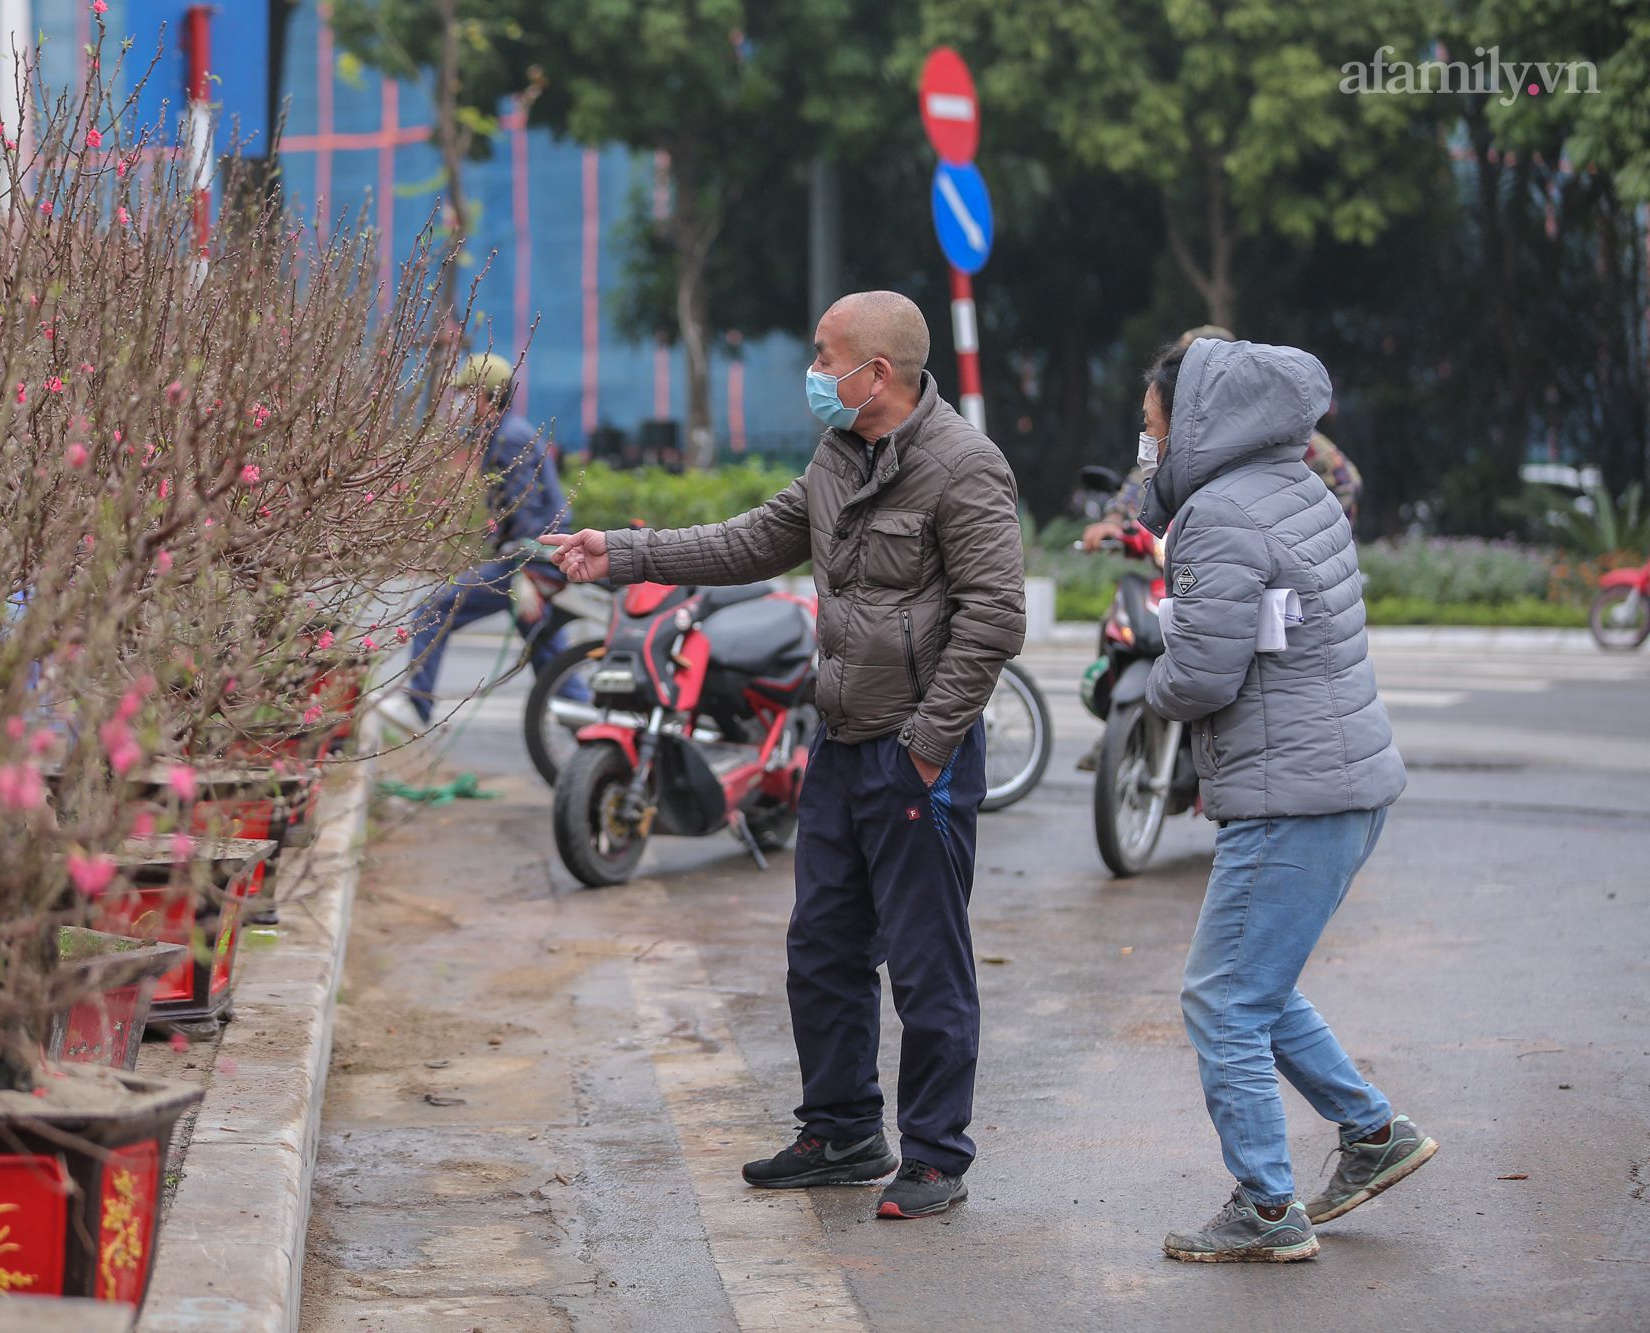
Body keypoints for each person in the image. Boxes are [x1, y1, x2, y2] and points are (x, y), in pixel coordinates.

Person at [543, 292, 1025, 1220]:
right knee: (822, 948)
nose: (813, 371)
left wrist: (927, 746)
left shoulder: (964, 466)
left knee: (928, 963)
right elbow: (756, 538)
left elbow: (994, 619)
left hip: (917, 751)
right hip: (839, 743)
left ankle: (934, 1154)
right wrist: (626, 553)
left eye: (823, 355)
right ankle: (842, 1129)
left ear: (874, 373)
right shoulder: (839, 453)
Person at [1135, 335, 1432, 1263]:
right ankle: (1371, 1133)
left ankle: (1267, 1206)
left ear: (1196, 423)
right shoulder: (1295, 484)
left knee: (1222, 999)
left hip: (1292, 794)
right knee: (1256, 987)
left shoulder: (1220, 515)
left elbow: (1204, 675)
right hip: (1341, 782)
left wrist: (1153, 678)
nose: (1148, 444)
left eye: (1151, 427)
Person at [379, 354, 576, 733]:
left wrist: (527, 571)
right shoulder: (505, 433)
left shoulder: (508, 437)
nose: (459, 402)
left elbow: (529, 510)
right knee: (550, 659)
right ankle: (594, 736)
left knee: (431, 612)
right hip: (532, 560)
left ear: (488, 395)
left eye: (466, 393)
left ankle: (417, 708)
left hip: (529, 563)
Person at [1079, 324, 1362, 554]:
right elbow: (1150, 476)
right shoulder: (1185, 433)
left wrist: (1313, 541)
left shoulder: (1276, 431)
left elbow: (1344, 479)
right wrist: (1116, 518)